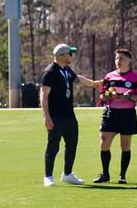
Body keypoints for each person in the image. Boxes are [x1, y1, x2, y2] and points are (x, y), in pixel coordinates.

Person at [39, 43, 97, 187]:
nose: (71, 56)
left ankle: (67, 174)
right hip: (56, 116)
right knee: (53, 146)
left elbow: (77, 78)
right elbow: (44, 95)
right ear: (62, 56)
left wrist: (95, 84)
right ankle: (48, 176)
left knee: (72, 145)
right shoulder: (50, 72)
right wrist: (46, 116)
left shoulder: (66, 70)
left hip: (69, 116)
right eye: (69, 54)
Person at [92, 49, 137, 184]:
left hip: (127, 114)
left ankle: (122, 176)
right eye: (117, 58)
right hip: (110, 113)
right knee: (104, 143)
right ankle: (105, 174)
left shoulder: (136, 78)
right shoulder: (109, 77)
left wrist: (128, 97)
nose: (118, 61)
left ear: (129, 61)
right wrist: (109, 96)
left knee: (125, 146)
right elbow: (102, 95)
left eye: (122, 58)